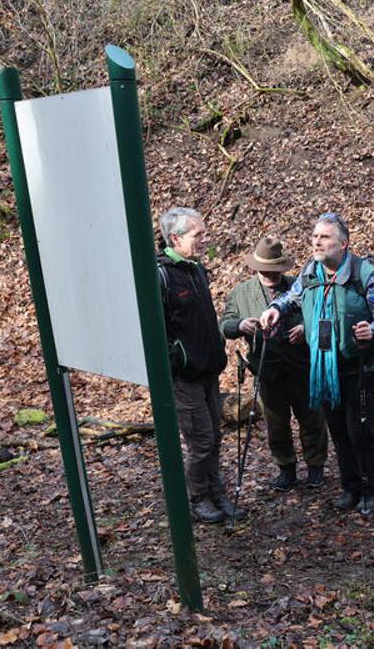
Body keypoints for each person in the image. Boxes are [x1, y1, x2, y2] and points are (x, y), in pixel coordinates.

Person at [259, 213, 374, 515]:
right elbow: (291, 298)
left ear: (343, 244)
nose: (316, 242)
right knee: (338, 430)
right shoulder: (310, 272)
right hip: (324, 367)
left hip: (358, 366)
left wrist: (373, 330)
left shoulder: (365, 274)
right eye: (314, 237)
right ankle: (351, 488)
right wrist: (274, 309)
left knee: (360, 430)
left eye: (324, 237)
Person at [220, 235, 329, 492]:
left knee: (312, 418)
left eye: (276, 271)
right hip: (267, 371)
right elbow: (224, 325)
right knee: (276, 425)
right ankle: (286, 469)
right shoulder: (241, 294)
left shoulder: (298, 287)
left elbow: (319, 314)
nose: (272, 275)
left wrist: (305, 327)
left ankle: (316, 467)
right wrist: (240, 325)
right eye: (266, 271)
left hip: (303, 366)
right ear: (255, 269)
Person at [157, 207, 245, 524]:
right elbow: (154, 330)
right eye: (199, 235)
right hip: (185, 377)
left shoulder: (196, 269)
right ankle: (197, 498)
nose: (205, 240)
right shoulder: (161, 275)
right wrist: (178, 360)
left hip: (208, 371)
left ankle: (216, 493)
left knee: (214, 438)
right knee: (201, 441)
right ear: (176, 238)